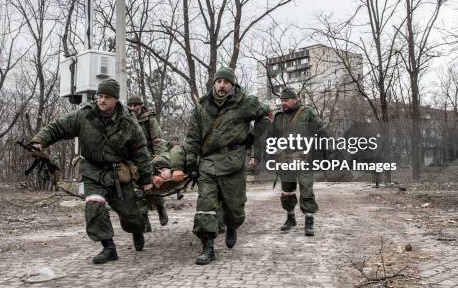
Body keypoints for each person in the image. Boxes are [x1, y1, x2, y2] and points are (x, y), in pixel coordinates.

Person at [30, 79, 154, 264]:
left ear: (115, 100)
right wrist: (39, 141)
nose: (102, 100)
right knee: (94, 207)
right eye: (100, 96)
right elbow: (57, 127)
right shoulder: (84, 115)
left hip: (117, 172)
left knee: (130, 215)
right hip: (92, 170)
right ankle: (108, 247)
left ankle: (137, 229)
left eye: (107, 97)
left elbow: (140, 152)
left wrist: (146, 178)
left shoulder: (128, 122)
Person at [172, 67, 270, 265]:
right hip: (208, 163)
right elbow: (192, 137)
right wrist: (191, 163)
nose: (222, 85)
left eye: (226, 82)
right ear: (214, 84)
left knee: (234, 208)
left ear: (232, 86)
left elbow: (267, 115)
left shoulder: (245, 103)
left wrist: (253, 136)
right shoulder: (201, 107)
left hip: (233, 161)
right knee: (205, 206)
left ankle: (232, 226)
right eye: (219, 81)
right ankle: (208, 247)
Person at [269, 87, 323, 236]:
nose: (283, 103)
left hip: (304, 158)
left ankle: (309, 221)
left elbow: (320, 129)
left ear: (295, 99)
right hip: (285, 159)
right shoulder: (278, 116)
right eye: (281, 100)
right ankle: (290, 218)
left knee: (306, 189)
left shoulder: (307, 112)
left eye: (286, 100)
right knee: (287, 191)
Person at [127, 95, 169, 229]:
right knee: (137, 191)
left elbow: (158, 140)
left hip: (150, 157)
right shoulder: (126, 120)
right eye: (131, 106)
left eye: (135, 105)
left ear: (141, 105)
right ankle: (144, 219)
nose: (133, 108)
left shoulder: (149, 119)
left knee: (152, 186)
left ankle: (160, 207)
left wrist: (159, 160)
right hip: (133, 159)